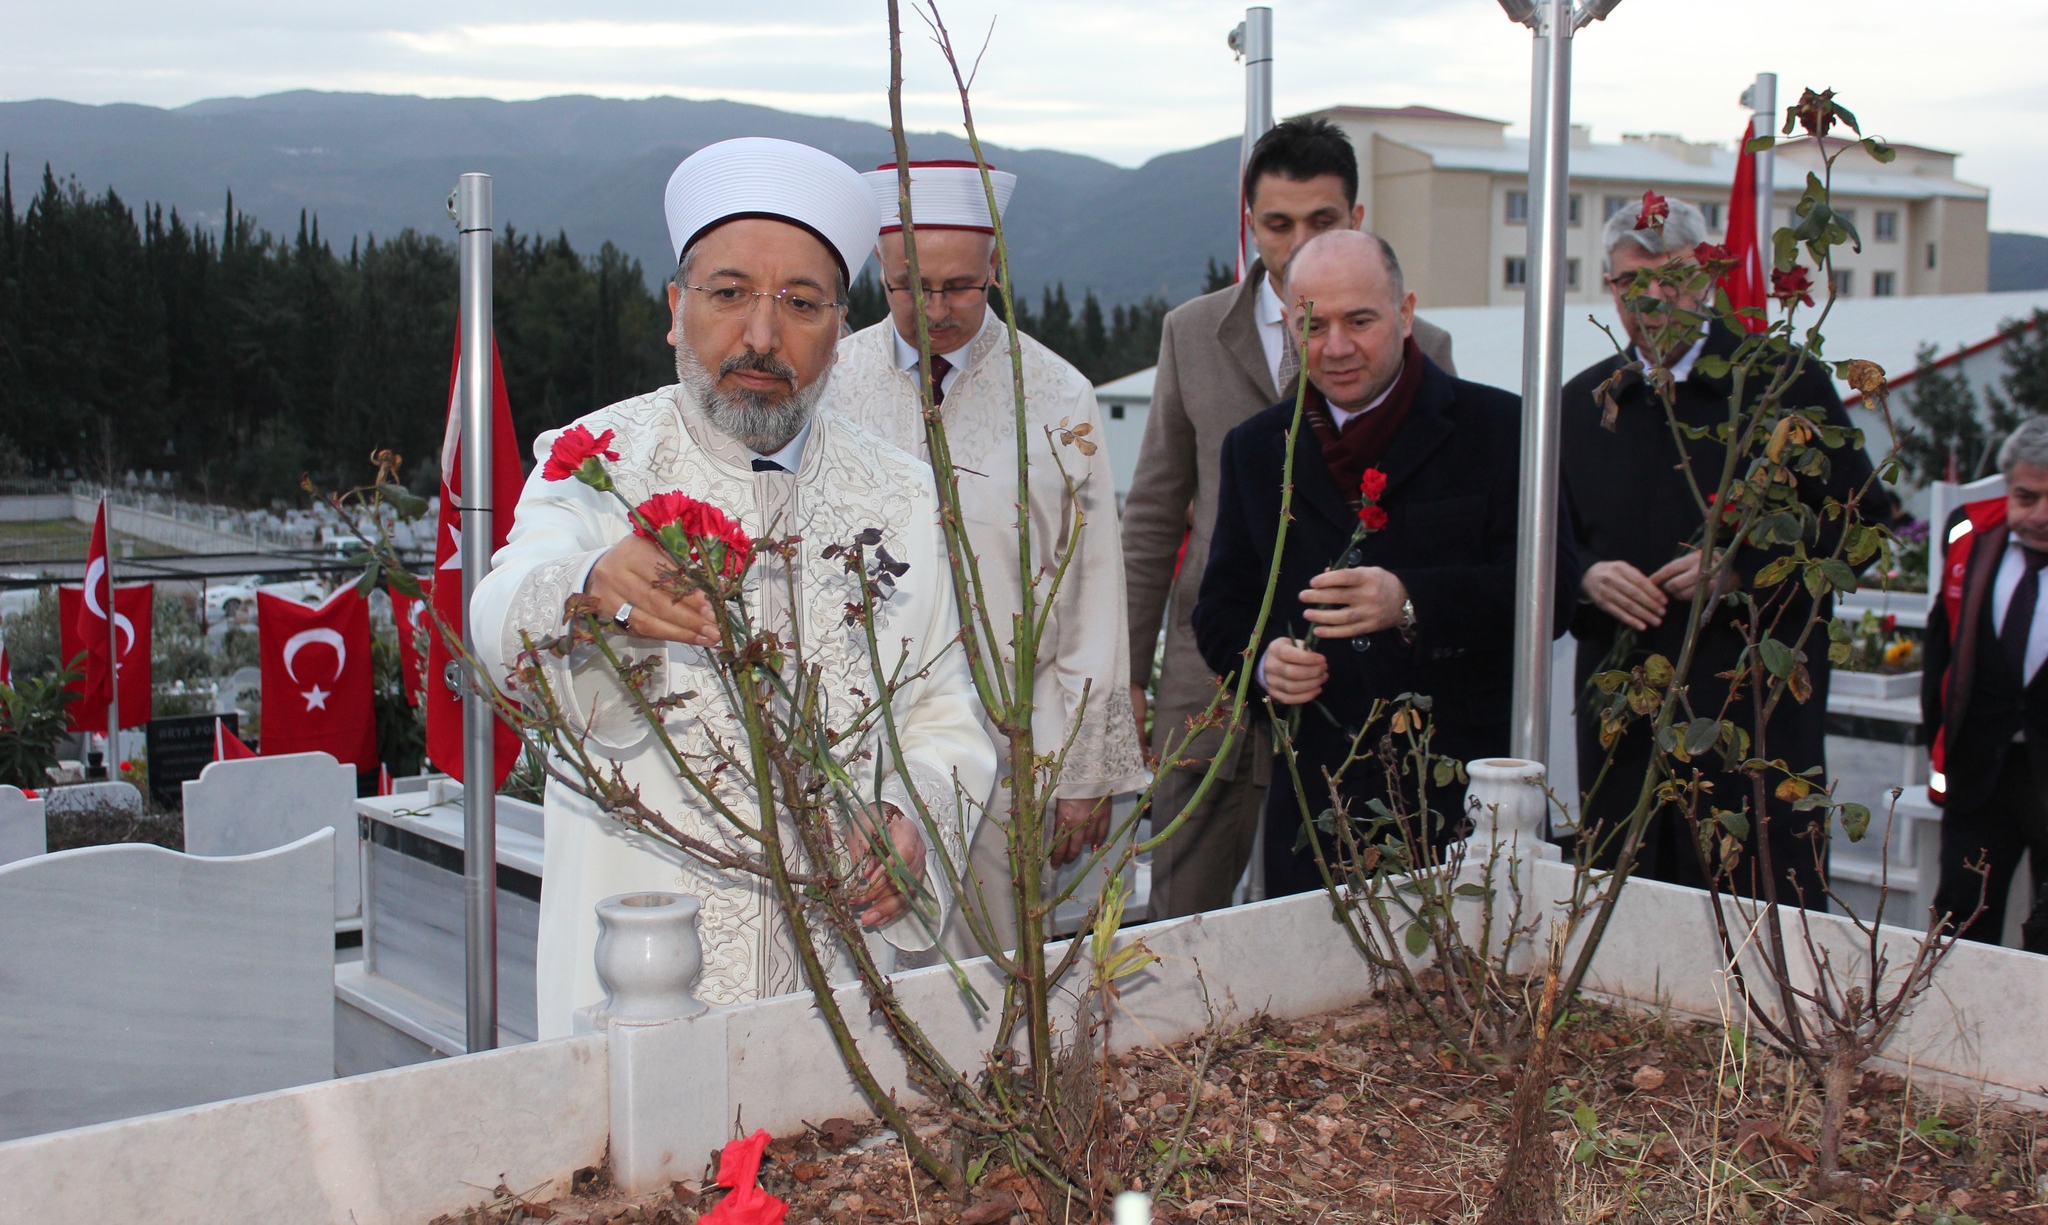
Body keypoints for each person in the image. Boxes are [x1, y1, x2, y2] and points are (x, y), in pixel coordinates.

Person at [473, 137, 996, 1036]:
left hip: (844, 981)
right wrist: (589, 585)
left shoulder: (903, 497)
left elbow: (946, 712)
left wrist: (913, 819)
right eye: (727, 295)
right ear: (676, 310)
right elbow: (501, 602)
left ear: (842, 324)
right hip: (636, 985)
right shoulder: (594, 462)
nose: (762, 336)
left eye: (800, 303)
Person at [1123, 118, 1456, 919]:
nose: (1298, 239)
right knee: (1184, 911)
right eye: (1279, 224)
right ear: (1251, 226)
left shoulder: (1424, 345)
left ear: (1358, 219)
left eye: (1323, 221)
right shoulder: (1194, 333)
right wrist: (1128, 675)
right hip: (1214, 680)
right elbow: (1154, 513)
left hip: (1357, 686)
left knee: (1353, 916)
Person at [826, 160, 1146, 954]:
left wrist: (1083, 771)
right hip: (859, 746)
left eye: (960, 287)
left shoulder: (1056, 395)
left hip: (1012, 745)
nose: (935, 309)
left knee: (996, 969)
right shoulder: (830, 384)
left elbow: (1093, 584)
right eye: (910, 286)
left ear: (996, 268)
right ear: (878, 270)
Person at [1191, 230, 1564, 897]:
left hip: (1461, 802)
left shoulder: (1502, 429)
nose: (1336, 347)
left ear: (1405, 311)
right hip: (1314, 804)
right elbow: (1221, 608)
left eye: (1359, 320)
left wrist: (1411, 601)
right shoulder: (1255, 448)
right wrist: (1263, 663)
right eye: (1313, 325)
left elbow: (1553, 592)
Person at [1560, 196, 1887, 901]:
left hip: (1755, 724)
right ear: (1607, 288)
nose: (1650, 298)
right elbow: (1541, 548)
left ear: (1707, 275)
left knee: (1759, 932)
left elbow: (1861, 528)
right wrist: (1585, 578)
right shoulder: (1583, 405)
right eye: (1627, 283)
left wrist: (1742, 567)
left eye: (1670, 276)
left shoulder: (1780, 383)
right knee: (1628, 940)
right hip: (1626, 737)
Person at [1925, 416, 2048, 949]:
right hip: (1980, 775)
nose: (2040, 515)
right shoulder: (1972, 537)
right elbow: (1941, 653)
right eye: (2026, 496)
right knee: (1960, 920)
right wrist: (1943, 749)